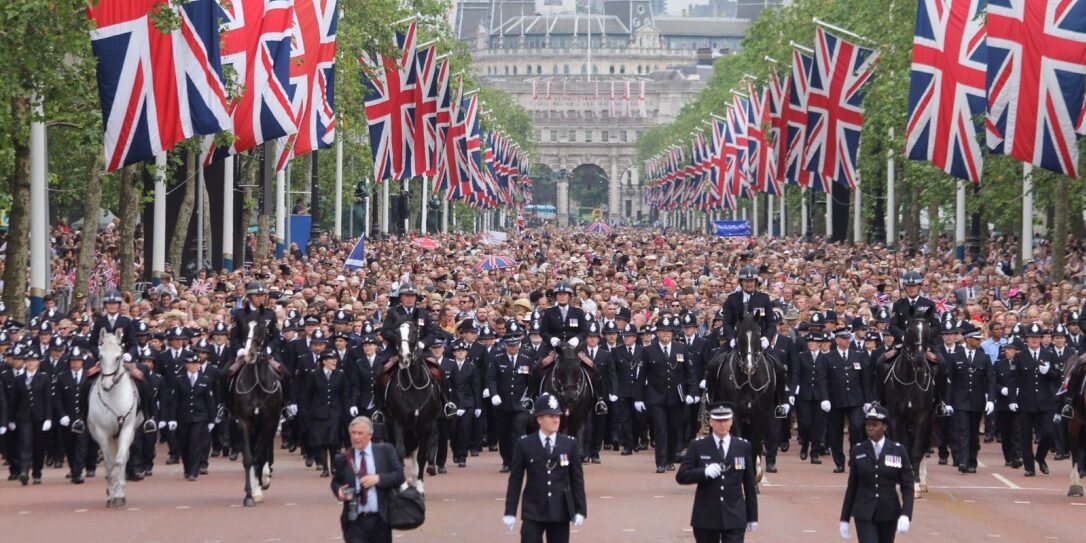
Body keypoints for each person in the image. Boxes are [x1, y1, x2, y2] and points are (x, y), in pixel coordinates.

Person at [502, 393, 587, 543]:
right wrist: (510, 511)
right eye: (550, 416)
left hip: (559, 510)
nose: (556, 420)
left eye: (558, 416)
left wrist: (580, 509)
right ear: (539, 419)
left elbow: (577, 480)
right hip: (533, 510)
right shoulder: (525, 444)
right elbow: (515, 480)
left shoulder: (569, 444)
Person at [676, 402, 758, 543]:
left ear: (732, 421)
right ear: (710, 422)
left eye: (726, 420)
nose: (722, 424)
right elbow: (682, 476)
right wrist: (703, 472)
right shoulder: (698, 446)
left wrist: (752, 516)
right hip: (706, 516)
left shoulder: (742, 446)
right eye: (718, 420)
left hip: (734, 515)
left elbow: (749, 485)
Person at [839, 406, 914, 543]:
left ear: (884, 427)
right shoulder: (858, 451)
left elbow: (907, 486)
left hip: (888, 511)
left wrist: (906, 514)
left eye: (875, 425)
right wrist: (844, 518)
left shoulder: (898, 451)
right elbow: (852, 487)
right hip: (864, 511)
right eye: (868, 424)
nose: (870, 428)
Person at [331, 416, 405, 543]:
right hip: (354, 520)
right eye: (353, 433)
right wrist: (339, 492)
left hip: (380, 520)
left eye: (360, 433)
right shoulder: (343, 459)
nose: (356, 437)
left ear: (370, 435)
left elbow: (399, 476)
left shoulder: (385, 450)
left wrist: (378, 479)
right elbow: (335, 482)